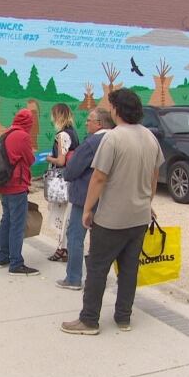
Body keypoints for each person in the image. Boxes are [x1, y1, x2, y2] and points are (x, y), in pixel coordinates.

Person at [61, 89, 164, 335]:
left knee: (97, 268)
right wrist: (147, 202)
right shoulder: (150, 137)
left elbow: (98, 177)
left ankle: (89, 320)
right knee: (129, 270)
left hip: (111, 218)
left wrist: (87, 209)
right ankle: (123, 317)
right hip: (139, 217)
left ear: (117, 110)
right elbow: (155, 174)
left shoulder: (113, 138)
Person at [56, 108, 115, 290]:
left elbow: (72, 168)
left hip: (85, 196)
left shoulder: (92, 143)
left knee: (75, 236)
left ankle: (73, 278)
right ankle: (98, 279)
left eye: (89, 120)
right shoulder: (117, 140)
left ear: (99, 123)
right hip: (109, 197)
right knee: (102, 240)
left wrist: (66, 172)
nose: (86, 123)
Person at [0, 109, 38, 276]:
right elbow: (30, 159)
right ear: (28, 122)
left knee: (6, 220)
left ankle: (3, 256)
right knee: (17, 224)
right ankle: (16, 263)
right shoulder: (22, 136)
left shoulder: (6, 133)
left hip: (4, 184)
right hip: (17, 184)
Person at [45, 104, 80, 262]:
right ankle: (63, 247)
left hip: (62, 180)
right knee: (67, 215)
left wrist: (48, 158)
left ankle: (62, 248)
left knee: (62, 215)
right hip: (72, 178)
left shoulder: (62, 135)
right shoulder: (74, 133)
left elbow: (61, 160)